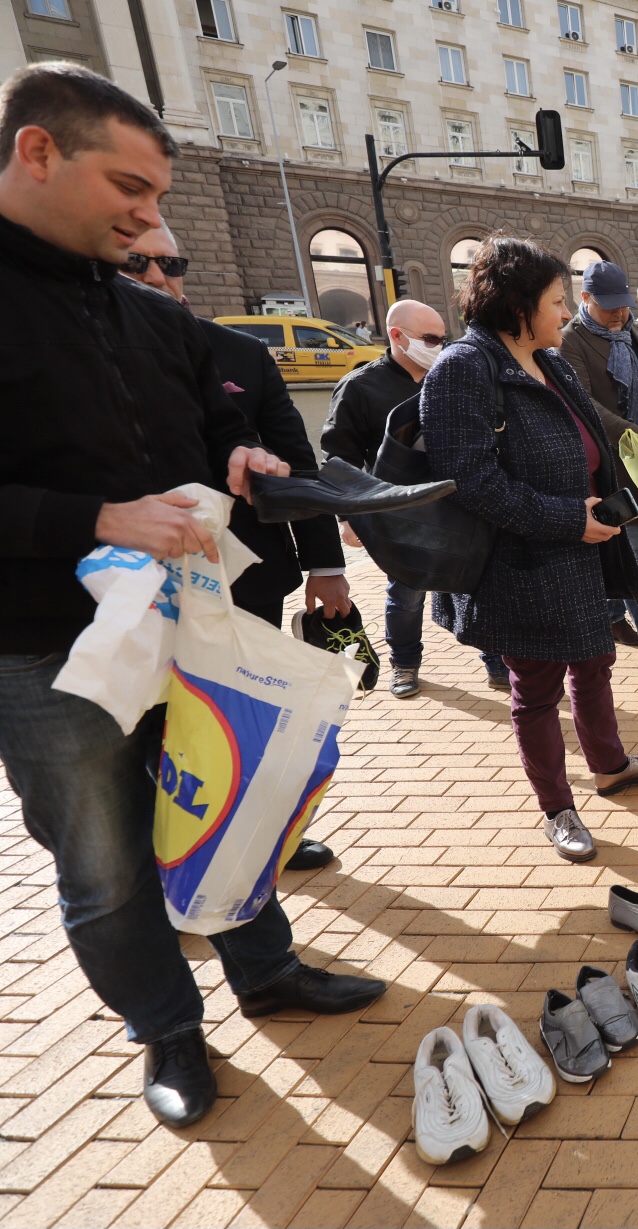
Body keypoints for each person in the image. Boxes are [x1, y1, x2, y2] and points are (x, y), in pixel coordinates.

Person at [0, 62, 385, 1128]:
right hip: (42, 652)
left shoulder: (145, 311)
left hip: (187, 627)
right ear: (38, 151)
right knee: (107, 861)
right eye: (130, 187)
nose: (150, 216)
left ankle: (265, 969)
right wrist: (98, 517)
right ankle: (168, 1028)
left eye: (159, 195)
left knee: (231, 802)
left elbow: (214, 426)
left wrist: (245, 454)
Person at [419, 235, 638, 863]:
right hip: (525, 562)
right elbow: (472, 482)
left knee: (594, 663)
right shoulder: (466, 368)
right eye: (557, 301)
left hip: (584, 550)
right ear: (516, 306)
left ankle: (610, 765)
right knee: (536, 689)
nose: (566, 313)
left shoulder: (551, 359)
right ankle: (557, 809)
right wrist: (568, 518)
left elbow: (588, 435)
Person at [122, 219, 346, 873]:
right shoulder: (78, 359)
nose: (162, 279)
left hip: (244, 581)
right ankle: (171, 851)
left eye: (173, 263)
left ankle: (265, 829)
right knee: (154, 726)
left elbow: (296, 463)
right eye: (139, 266)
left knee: (243, 715)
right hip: (129, 586)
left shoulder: (240, 356)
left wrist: (326, 565)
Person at [323, 298, 509, 697]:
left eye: (443, 337)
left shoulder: (450, 376)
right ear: (396, 335)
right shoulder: (361, 386)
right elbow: (339, 456)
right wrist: (347, 517)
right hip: (400, 514)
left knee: (478, 584)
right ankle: (405, 663)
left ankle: (497, 662)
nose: (439, 345)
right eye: (429, 338)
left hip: (460, 505)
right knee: (406, 593)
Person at [559, 259, 638, 671]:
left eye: (624, 304)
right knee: (630, 551)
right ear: (585, 298)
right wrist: (632, 431)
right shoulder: (570, 341)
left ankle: (614, 615)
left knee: (633, 545)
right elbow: (583, 403)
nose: (619, 313)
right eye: (609, 305)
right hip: (610, 464)